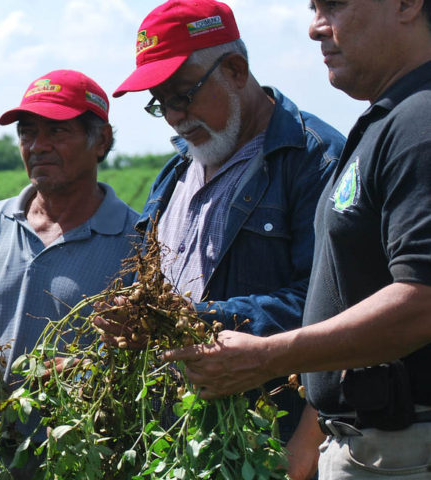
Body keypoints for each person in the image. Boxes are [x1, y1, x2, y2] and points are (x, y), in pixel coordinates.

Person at [162, 0, 431, 478]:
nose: (314, 28)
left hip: (399, 447)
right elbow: (343, 297)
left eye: (335, 4)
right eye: (313, 7)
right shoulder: (385, 123)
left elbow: (423, 300)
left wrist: (268, 354)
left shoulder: (420, 124)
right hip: (361, 442)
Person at [98, 1, 346, 477]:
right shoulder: (176, 171)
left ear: (235, 70)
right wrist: (133, 317)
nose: (173, 116)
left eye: (182, 95)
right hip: (180, 438)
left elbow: (333, 308)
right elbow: (149, 282)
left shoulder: (314, 160)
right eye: (159, 103)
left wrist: (194, 320)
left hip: (264, 439)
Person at [0, 69, 139, 479]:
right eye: (27, 133)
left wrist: (91, 371)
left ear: (101, 141)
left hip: (90, 462)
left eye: (57, 132)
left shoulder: (137, 239)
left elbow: (157, 358)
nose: (38, 146)